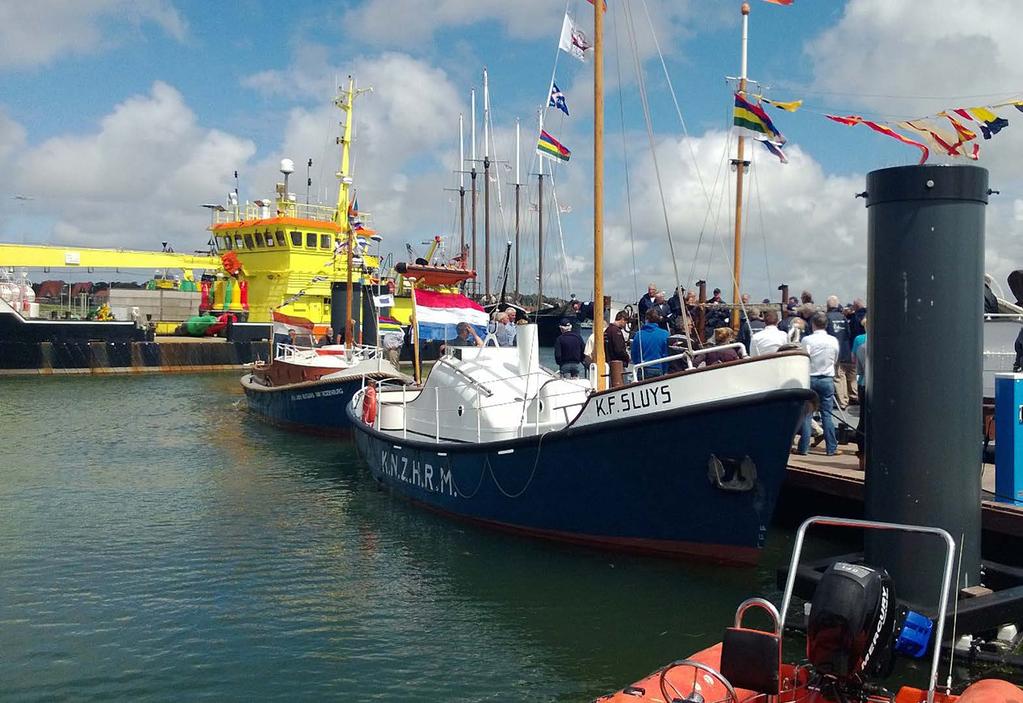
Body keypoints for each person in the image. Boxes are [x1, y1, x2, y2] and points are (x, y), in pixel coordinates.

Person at [797, 313, 839, 456]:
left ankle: (803, 448)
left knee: (807, 414)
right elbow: (836, 358)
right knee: (827, 414)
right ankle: (831, 448)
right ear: (826, 324)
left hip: (810, 378)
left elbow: (803, 357)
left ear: (813, 324)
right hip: (827, 378)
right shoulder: (833, 340)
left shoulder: (807, 340)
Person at [826, 295, 856, 409]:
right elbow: (848, 333)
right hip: (846, 348)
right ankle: (854, 396)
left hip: (834, 351)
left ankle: (843, 401)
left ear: (828, 305)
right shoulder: (843, 317)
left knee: (839, 377)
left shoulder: (827, 317)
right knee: (850, 375)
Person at [630, 308, 670, 380]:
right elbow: (666, 354)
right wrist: (665, 370)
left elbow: (634, 354)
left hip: (642, 368)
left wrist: (638, 363)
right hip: (658, 368)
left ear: (646, 319)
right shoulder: (665, 334)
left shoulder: (638, 335)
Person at [851, 316, 869, 470]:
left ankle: (862, 456)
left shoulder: (861, 346)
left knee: (863, 421)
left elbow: (859, 372)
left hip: (865, 386)